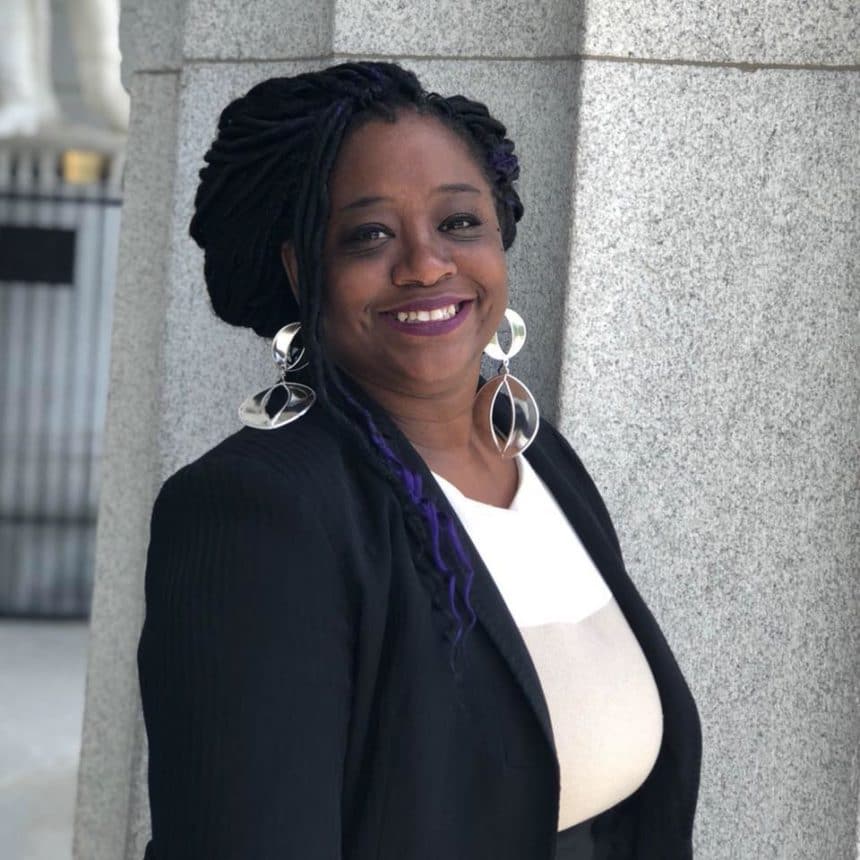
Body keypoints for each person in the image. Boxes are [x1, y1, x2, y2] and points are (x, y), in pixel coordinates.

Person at [137, 61, 701, 860]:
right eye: (369, 235)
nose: (427, 265)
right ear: (304, 272)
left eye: (459, 224)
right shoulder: (256, 513)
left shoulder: (538, 455)